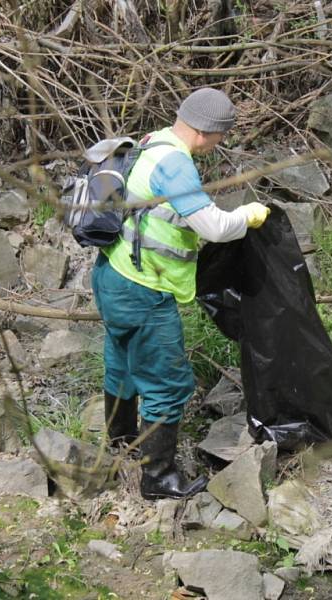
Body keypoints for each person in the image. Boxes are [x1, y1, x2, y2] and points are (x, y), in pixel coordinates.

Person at [92, 87, 269, 500]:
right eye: (222, 135)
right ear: (207, 132)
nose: (221, 143)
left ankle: (120, 442)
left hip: (110, 276)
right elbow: (215, 228)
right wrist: (250, 214)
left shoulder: (152, 143)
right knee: (166, 382)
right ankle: (159, 478)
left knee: (120, 360)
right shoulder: (176, 165)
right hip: (142, 290)